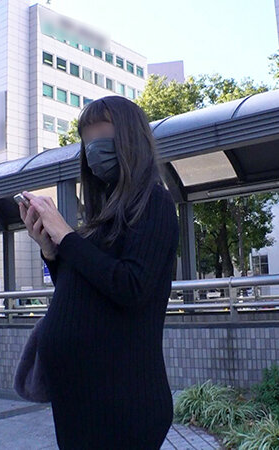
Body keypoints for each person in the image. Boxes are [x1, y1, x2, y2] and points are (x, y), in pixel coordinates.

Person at [18, 95, 179, 449]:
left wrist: (67, 236)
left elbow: (131, 286)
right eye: (86, 138)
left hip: (123, 405)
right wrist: (51, 251)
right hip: (81, 402)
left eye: (101, 134)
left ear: (129, 136)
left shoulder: (155, 202)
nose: (92, 148)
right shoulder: (103, 214)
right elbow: (83, 290)